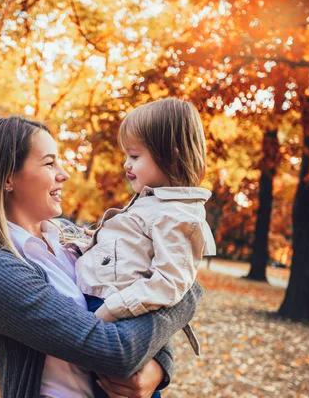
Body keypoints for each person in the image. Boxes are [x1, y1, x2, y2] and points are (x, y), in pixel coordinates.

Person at [0, 116, 204, 398]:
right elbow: (114, 351)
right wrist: (187, 295)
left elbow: (141, 303)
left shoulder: (76, 246)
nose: (64, 174)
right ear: (8, 177)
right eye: (49, 163)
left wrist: (159, 368)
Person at [72, 98, 216, 398]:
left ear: (172, 156)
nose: (126, 164)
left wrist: (112, 310)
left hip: (120, 319)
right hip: (110, 312)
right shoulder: (153, 202)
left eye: (135, 155)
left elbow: (170, 283)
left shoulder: (177, 215)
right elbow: (127, 256)